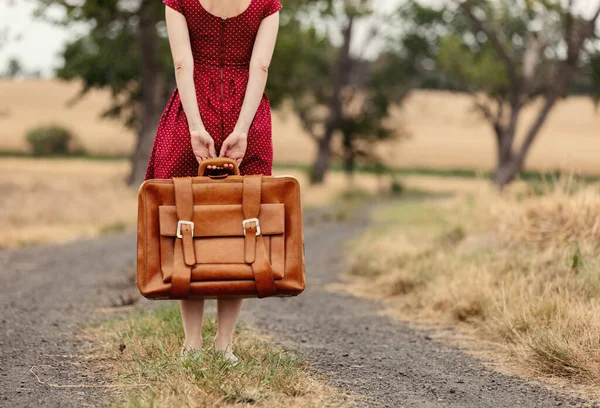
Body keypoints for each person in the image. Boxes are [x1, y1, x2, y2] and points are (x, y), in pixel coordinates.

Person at [144, 0, 282, 362]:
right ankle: (225, 346)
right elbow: (261, 66)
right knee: (241, 227)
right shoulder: (267, 4)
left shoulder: (181, 1)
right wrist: (242, 128)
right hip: (246, 115)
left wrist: (194, 126)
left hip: (193, 113)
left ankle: (191, 346)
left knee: (184, 224)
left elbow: (182, 65)